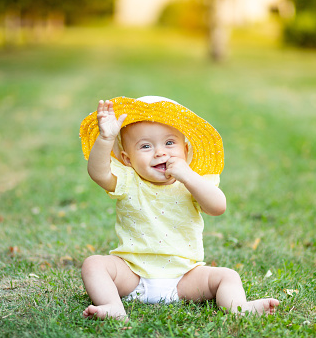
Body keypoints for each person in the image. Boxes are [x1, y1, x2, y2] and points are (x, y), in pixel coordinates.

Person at [79, 96, 279, 321]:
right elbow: (98, 173)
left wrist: (189, 176)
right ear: (127, 159)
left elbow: (218, 207)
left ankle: (238, 308)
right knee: (94, 264)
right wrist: (106, 138)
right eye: (145, 146)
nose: (160, 152)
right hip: (133, 274)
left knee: (227, 276)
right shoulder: (128, 181)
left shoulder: (192, 184)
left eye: (170, 143)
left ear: (185, 150)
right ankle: (112, 305)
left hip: (184, 278)